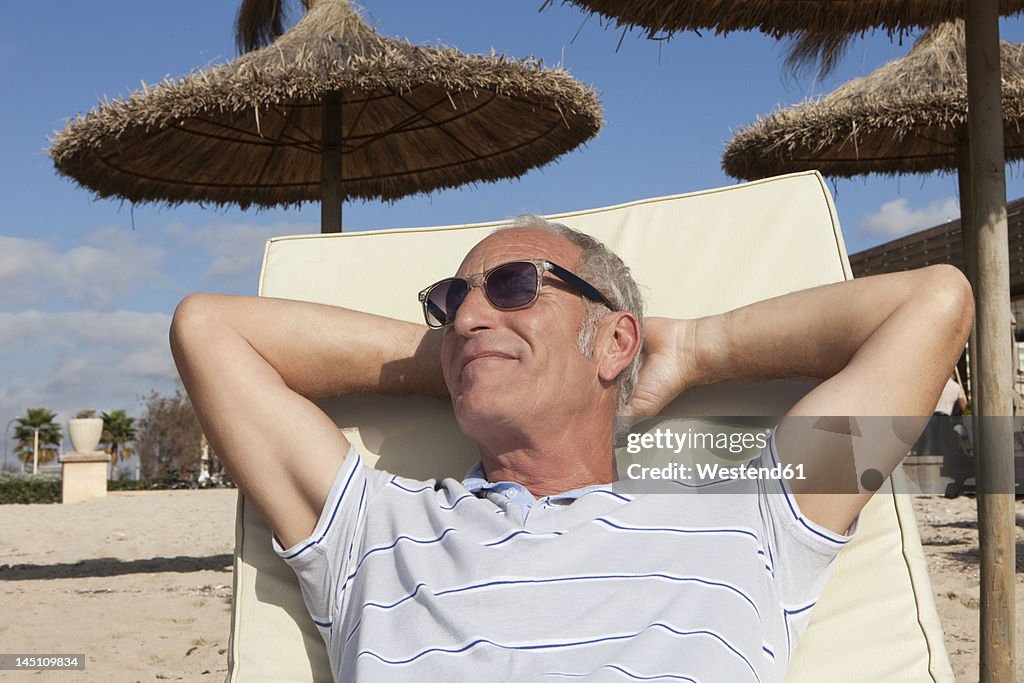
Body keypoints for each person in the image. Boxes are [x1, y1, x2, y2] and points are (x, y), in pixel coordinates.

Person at [170, 216, 972, 682]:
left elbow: (935, 302)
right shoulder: (375, 528)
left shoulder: (751, 516)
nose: (469, 313)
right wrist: (464, 356)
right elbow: (209, 330)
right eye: (451, 301)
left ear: (615, 339)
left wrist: (701, 346)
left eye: (517, 285)